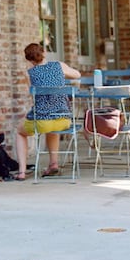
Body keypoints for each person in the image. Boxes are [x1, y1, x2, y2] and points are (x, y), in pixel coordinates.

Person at [14, 42, 81, 181]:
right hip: (63, 120)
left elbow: (31, 94)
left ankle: (21, 172)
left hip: (41, 121)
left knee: (20, 132)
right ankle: (53, 164)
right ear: (44, 53)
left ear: (30, 60)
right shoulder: (59, 66)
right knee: (54, 125)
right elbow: (77, 75)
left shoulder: (29, 73)